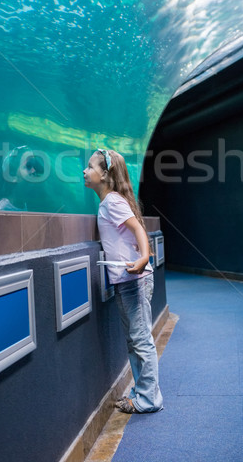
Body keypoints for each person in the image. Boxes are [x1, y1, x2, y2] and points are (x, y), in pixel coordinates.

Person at [83, 148, 163, 414]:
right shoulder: (109, 202)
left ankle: (150, 399)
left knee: (140, 340)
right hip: (127, 281)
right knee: (134, 340)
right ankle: (142, 391)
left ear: (105, 174)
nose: (85, 171)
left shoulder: (112, 202)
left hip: (135, 280)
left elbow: (139, 230)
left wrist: (144, 257)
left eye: (90, 167)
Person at [0, 146, 44, 211]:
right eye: (28, 166)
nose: (34, 170)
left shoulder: (23, 204)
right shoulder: (1, 209)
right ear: (12, 175)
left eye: (34, 165)